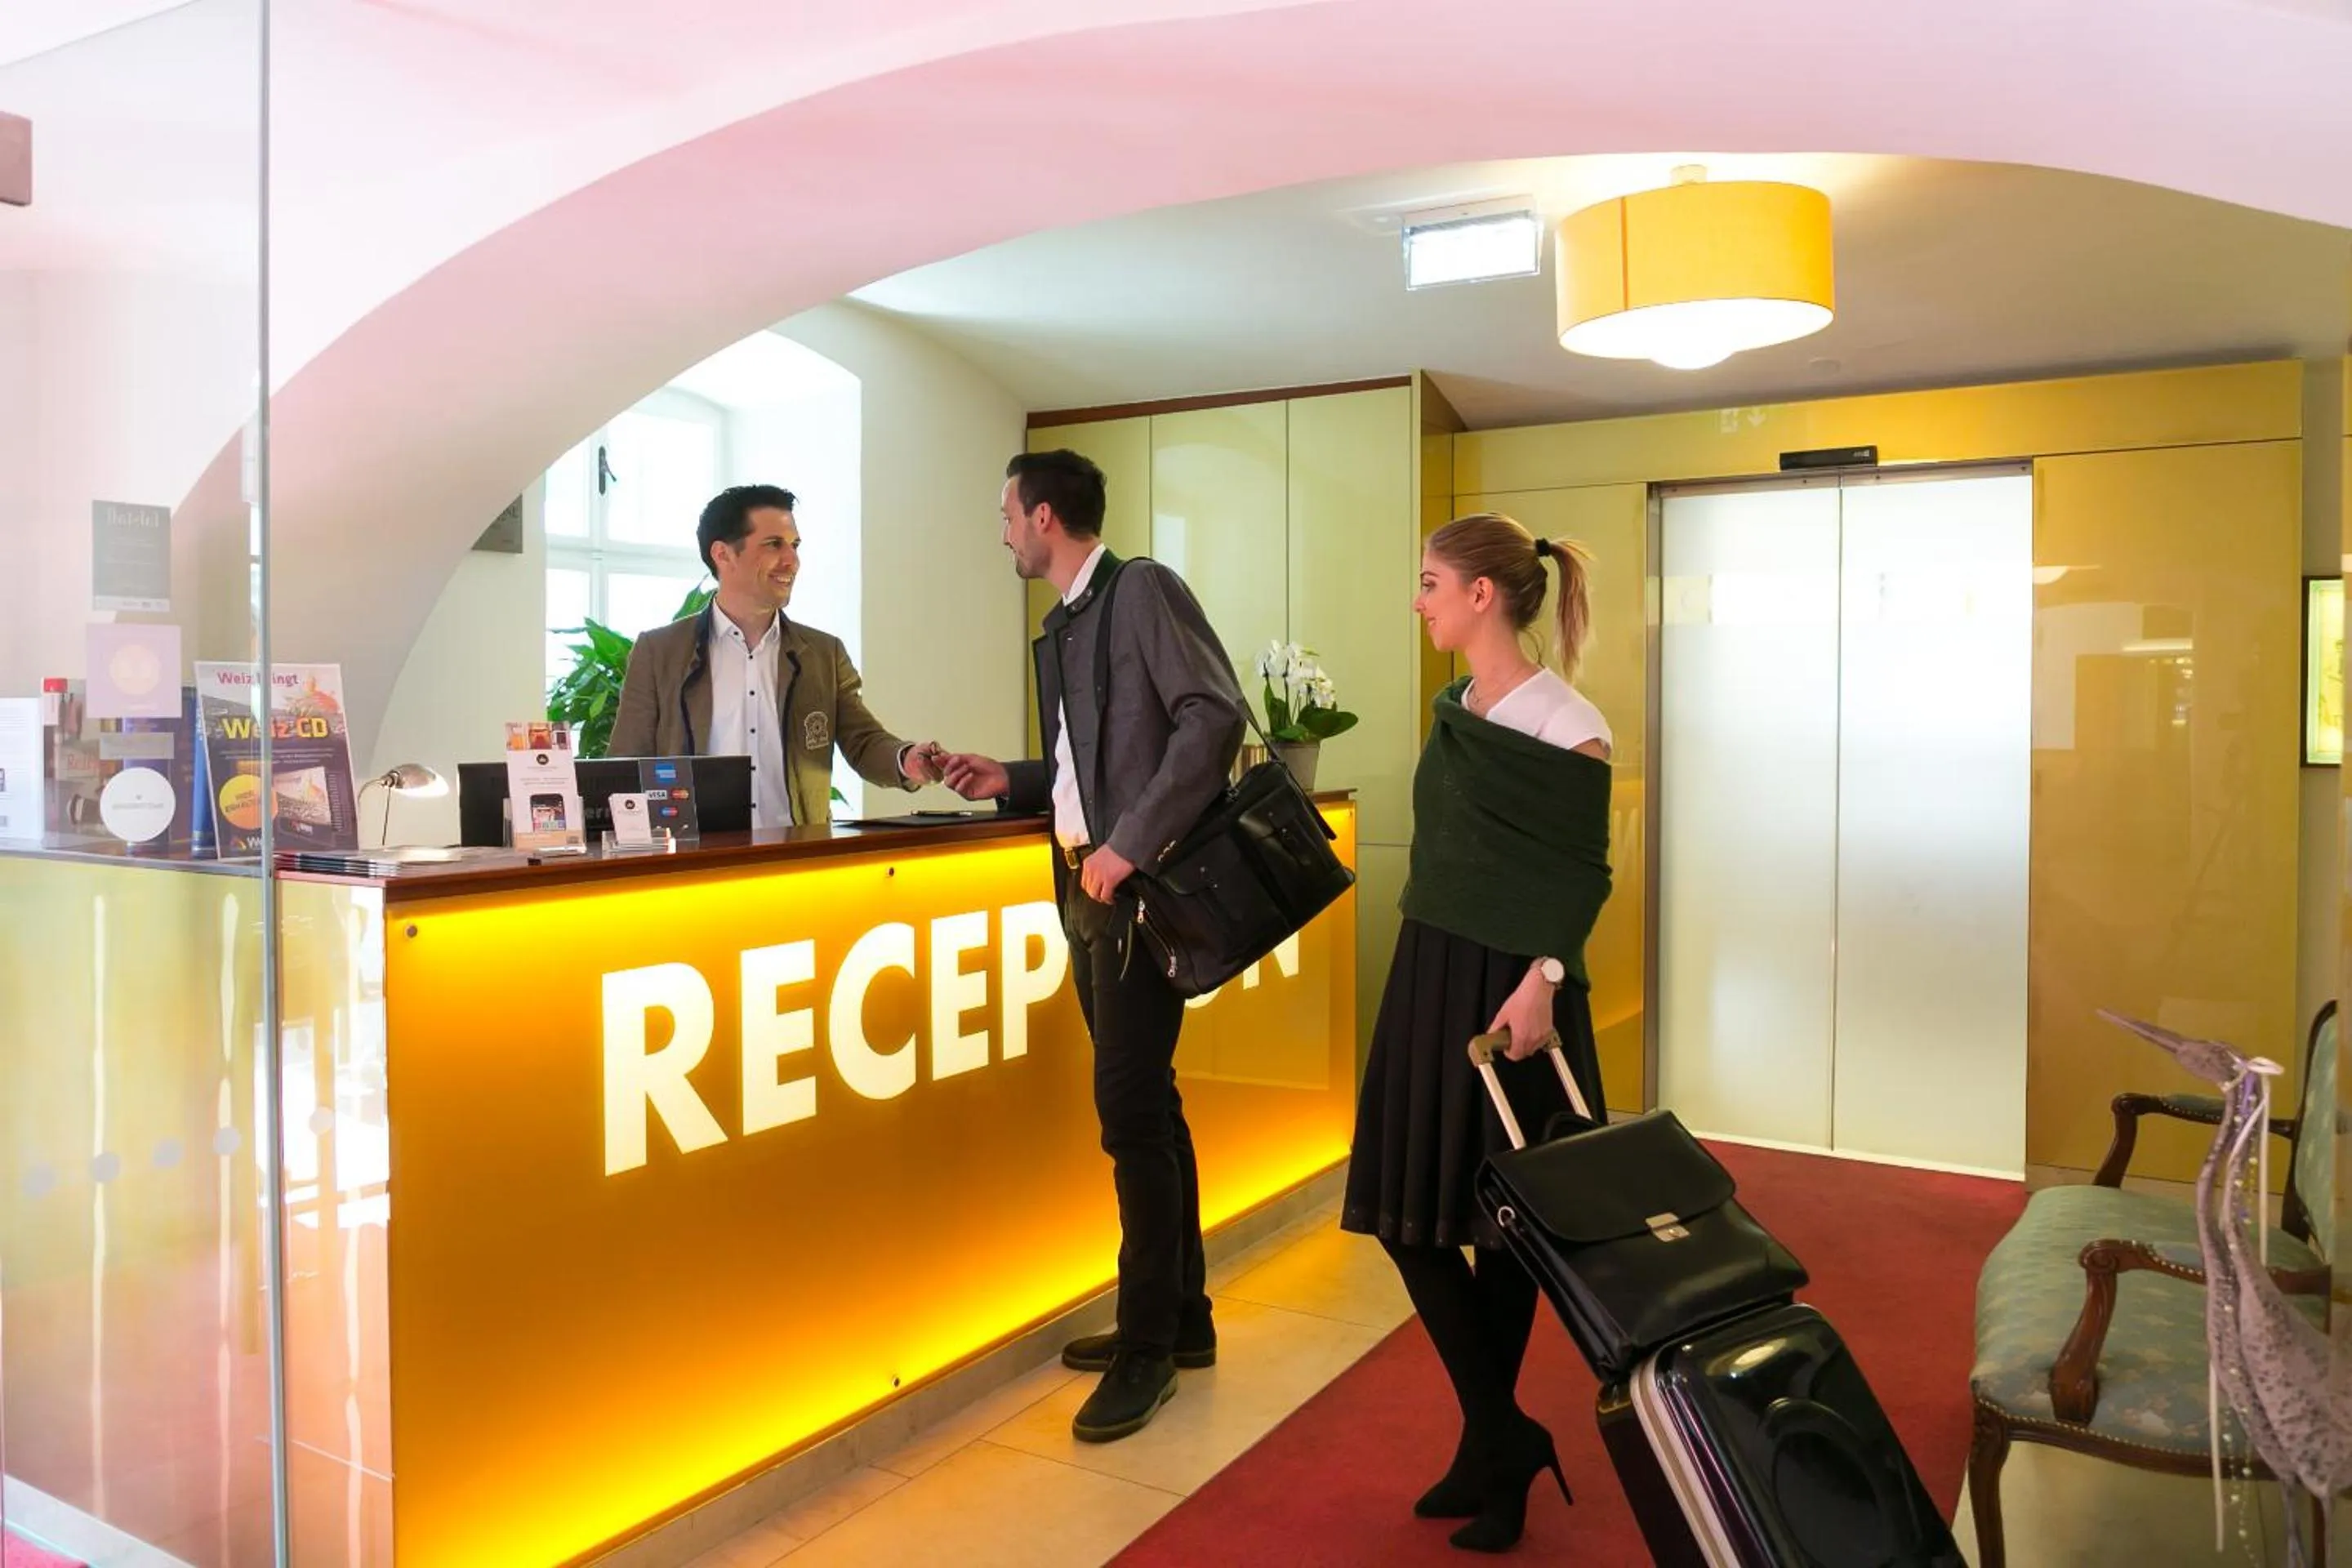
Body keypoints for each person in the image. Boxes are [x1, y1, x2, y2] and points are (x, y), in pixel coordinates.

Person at [938, 449, 1245, 1444]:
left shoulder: (1140, 589)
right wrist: (1015, 780)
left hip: (1135, 895)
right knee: (1150, 1108)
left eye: (1006, 512)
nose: (1001, 531)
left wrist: (1126, 845)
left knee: (1129, 1117)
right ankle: (1181, 1318)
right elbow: (1095, 764)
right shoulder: (1067, 622)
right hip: (1090, 896)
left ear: (1042, 516)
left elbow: (1213, 718)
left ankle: (1147, 1347)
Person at [1339, 511, 1613, 1554]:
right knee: (1410, 1217)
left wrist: (1543, 979)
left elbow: (1582, 875)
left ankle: (1488, 1452)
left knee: (1504, 1227)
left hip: (1518, 990)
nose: (1418, 601)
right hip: (1433, 971)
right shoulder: (1455, 708)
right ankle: (1502, 1436)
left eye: (1429, 583)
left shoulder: (1567, 720)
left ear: (1480, 594)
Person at [609, 484, 944, 826]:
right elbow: (624, 768)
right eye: (773, 544)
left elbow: (864, 742)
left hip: (795, 855)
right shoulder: (659, 652)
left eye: (794, 545)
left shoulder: (823, 655)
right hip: (697, 856)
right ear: (723, 554)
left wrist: (907, 759)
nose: (792, 561)